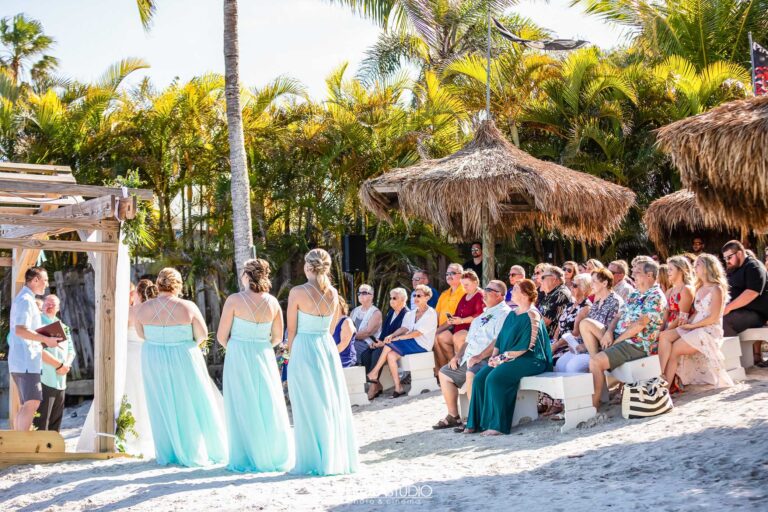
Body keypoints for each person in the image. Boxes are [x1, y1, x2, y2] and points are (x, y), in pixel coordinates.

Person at [136, 267, 227, 467]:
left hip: (153, 357)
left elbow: (142, 335)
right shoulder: (188, 307)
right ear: (177, 285)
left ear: (158, 284)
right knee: (191, 400)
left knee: (162, 401)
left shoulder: (142, 309)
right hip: (183, 357)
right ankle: (197, 448)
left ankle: (169, 452)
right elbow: (202, 334)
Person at [287, 248, 358, 475]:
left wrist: (289, 356)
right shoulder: (333, 293)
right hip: (326, 347)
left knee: (307, 402)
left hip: (305, 347)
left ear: (308, 266)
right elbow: (331, 326)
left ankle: (313, 460)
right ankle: (332, 457)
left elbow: (292, 329)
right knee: (328, 400)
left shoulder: (297, 292)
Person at [217, 258, 293, 473]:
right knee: (266, 402)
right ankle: (271, 451)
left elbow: (222, 336)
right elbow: (278, 337)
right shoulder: (273, 302)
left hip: (238, 353)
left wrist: (238, 347)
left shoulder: (234, 300)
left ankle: (247, 454)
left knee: (241, 402)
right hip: (264, 354)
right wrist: (261, 346)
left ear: (247, 275)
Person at [462, 279, 552, 436]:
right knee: (480, 377)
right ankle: (475, 422)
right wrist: (494, 356)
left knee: (495, 378)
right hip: (508, 357)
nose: (512, 291)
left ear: (524, 294)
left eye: (516, 289)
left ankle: (497, 425)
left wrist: (502, 358)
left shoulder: (532, 315)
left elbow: (527, 346)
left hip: (531, 359)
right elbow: (501, 339)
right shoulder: (512, 313)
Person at [588, 257, 667, 409]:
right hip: (620, 337)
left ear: (649, 275)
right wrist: (609, 332)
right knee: (587, 325)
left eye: (637, 273)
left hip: (635, 344)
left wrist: (617, 342)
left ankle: (593, 407)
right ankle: (597, 355)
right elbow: (618, 315)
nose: (633, 276)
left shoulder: (656, 296)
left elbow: (641, 324)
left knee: (595, 362)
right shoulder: (635, 294)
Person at [432, 280, 511, 430]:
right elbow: (468, 341)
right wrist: (457, 356)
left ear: (499, 295)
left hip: (488, 358)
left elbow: (498, 341)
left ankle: (474, 419)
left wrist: (480, 356)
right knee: (444, 373)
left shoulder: (505, 313)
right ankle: (454, 416)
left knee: (471, 372)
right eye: (485, 289)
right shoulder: (482, 316)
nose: (484, 292)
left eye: (489, 290)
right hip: (469, 358)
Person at [659, 254, 733, 391]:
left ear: (707, 267)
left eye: (698, 264)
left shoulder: (716, 289)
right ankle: (659, 375)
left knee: (674, 350)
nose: (694, 267)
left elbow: (714, 318)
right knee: (664, 336)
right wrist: (686, 322)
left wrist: (692, 326)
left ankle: (664, 387)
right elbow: (697, 313)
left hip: (709, 329)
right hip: (695, 326)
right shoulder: (698, 288)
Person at [9, 267, 61, 431]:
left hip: (25, 360)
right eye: (44, 280)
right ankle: (21, 444)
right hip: (25, 361)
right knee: (32, 402)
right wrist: (46, 339)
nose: (46, 284)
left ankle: (19, 443)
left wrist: (46, 339)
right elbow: (20, 330)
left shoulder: (26, 299)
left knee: (28, 403)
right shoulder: (25, 300)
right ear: (35, 280)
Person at [366, 284, 438, 398]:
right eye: (414, 295)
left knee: (390, 344)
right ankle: (398, 387)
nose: (416, 298)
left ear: (427, 297)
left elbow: (417, 333)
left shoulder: (431, 313)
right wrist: (392, 334)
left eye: (419, 295)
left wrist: (397, 338)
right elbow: (404, 328)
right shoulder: (411, 313)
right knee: (390, 355)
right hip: (411, 343)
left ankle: (374, 372)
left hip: (422, 345)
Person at [123, 278, 157, 457]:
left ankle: (130, 428)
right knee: (144, 390)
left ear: (137, 293)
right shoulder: (151, 310)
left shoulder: (129, 312)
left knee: (130, 389)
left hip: (129, 353)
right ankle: (148, 428)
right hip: (145, 352)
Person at [33, 294, 74, 432]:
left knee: (56, 419)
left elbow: (71, 350)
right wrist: (59, 365)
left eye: (53, 304)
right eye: (47, 304)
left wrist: (66, 365)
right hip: (45, 377)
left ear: (58, 308)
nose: (49, 306)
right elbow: (37, 349)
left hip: (61, 379)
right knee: (42, 419)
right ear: (43, 305)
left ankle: (52, 448)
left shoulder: (63, 326)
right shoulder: (37, 323)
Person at [721, 241, 768, 361]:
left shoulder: (753, 266)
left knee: (725, 321)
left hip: (756, 314)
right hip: (741, 312)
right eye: (725, 258)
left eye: (729, 257)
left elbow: (752, 292)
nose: (727, 261)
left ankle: (732, 364)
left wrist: (729, 307)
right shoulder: (734, 270)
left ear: (740, 253)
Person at [362, 287, 409, 400]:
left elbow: (403, 332)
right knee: (366, 354)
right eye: (390, 298)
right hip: (385, 343)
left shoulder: (407, 313)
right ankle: (377, 384)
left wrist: (383, 344)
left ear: (403, 300)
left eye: (394, 298)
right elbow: (384, 332)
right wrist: (378, 342)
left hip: (397, 344)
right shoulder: (391, 312)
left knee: (376, 354)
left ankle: (373, 387)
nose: (391, 300)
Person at [434, 270, 484, 372]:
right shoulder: (464, 296)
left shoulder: (480, 295)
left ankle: (462, 367)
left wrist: (461, 321)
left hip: (472, 329)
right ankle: (452, 366)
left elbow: (480, 315)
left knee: (457, 337)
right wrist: (451, 321)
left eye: (467, 285)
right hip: (458, 327)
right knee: (441, 337)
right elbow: (457, 315)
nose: (464, 287)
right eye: (463, 285)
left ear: (475, 282)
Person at [579, 268, 624, 357]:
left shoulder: (615, 301)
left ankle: (595, 360)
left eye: (594, 281)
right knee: (562, 363)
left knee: (585, 323)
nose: (591, 285)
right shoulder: (597, 303)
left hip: (609, 345)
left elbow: (610, 330)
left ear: (604, 283)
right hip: (594, 345)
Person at [549, 273, 592, 368]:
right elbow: (559, 326)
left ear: (584, 289)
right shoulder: (570, 305)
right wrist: (554, 342)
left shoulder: (586, 308)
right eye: (572, 284)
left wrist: (556, 346)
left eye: (575, 285)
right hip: (559, 344)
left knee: (553, 362)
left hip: (570, 346)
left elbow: (575, 333)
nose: (571, 287)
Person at [433, 263, 466, 371]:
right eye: (447, 273)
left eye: (452, 273)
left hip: (456, 327)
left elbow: (454, 318)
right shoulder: (444, 294)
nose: (449, 276)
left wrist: (437, 330)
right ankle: (443, 371)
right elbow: (436, 315)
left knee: (440, 337)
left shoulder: (464, 292)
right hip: (443, 328)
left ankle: (453, 369)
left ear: (461, 275)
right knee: (434, 339)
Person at [349, 284, 382, 365]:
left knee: (348, 348)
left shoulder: (376, 313)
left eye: (364, 293)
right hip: (353, 341)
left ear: (371, 296)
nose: (360, 295)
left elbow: (367, 332)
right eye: (359, 293)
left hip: (367, 345)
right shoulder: (354, 311)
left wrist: (348, 336)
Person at [537, 265, 573, 338]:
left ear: (554, 279)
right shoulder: (551, 293)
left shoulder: (560, 294)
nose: (541, 280)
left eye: (543, 277)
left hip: (550, 339)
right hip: (542, 336)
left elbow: (544, 322)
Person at [663, 256, 695, 330]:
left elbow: (682, 318)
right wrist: (660, 331)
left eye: (671, 269)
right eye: (668, 269)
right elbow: (664, 318)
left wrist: (666, 331)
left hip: (681, 328)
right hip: (668, 327)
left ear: (680, 270)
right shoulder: (669, 291)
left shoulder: (686, 289)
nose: (668, 272)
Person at [333, 297, 357, 368]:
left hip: (344, 359)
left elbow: (343, 344)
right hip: (333, 357)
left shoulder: (347, 321)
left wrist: (327, 355)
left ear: (341, 306)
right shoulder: (329, 322)